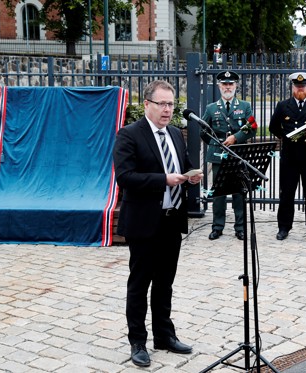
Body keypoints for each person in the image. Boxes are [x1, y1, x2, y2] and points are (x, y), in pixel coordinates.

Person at [113, 80, 203, 367]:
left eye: (171, 104)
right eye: (162, 104)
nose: (167, 110)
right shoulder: (129, 135)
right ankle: (137, 341)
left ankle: (164, 335)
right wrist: (163, 179)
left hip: (171, 221)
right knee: (140, 284)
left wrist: (191, 177)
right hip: (143, 222)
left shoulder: (176, 133)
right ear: (147, 105)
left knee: (165, 283)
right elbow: (125, 178)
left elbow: (183, 164)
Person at [201, 70, 256, 241]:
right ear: (219, 86)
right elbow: (204, 130)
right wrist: (215, 143)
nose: (227, 87)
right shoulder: (211, 108)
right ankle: (217, 227)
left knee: (239, 193)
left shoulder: (244, 106)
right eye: (224, 84)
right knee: (219, 193)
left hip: (238, 156)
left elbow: (252, 128)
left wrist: (235, 138)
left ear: (236, 86)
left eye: (230, 84)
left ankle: (239, 228)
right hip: (218, 155)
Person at [269, 72, 306, 241]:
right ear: (292, 87)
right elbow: (273, 127)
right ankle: (284, 227)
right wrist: (286, 137)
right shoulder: (283, 105)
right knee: (287, 193)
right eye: (297, 86)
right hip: (290, 157)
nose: (300, 89)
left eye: (303, 86)